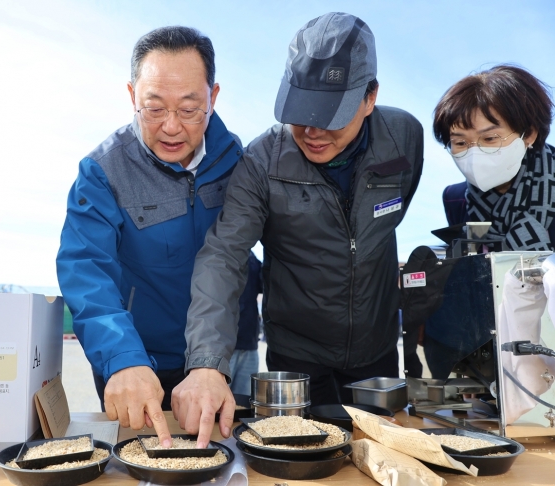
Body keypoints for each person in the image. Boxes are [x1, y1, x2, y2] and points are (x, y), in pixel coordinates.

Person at [173, 12, 424, 447]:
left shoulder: (404, 137)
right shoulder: (260, 162)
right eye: (300, 112)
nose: (311, 131)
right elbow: (223, 255)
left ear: (370, 98)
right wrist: (207, 365)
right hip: (297, 359)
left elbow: (391, 217)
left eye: (331, 116)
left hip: (378, 352)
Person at [55, 26, 242, 445]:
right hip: (138, 361)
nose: (171, 128)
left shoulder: (238, 162)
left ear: (213, 97)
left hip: (223, 359)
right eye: (154, 108)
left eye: (190, 109)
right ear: (131, 95)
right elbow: (87, 272)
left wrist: (213, 362)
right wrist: (120, 359)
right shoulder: (102, 172)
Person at [435, 65, 554, 251]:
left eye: (490, 139)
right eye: (460, 143)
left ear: (529, 134)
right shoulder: (455, 198)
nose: (474, 154)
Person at [229, 252, 263, 397]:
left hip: (249, 342)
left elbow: (264, 284)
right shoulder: (214, 253)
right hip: (222, 347)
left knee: (246, 403)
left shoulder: (252, 258)